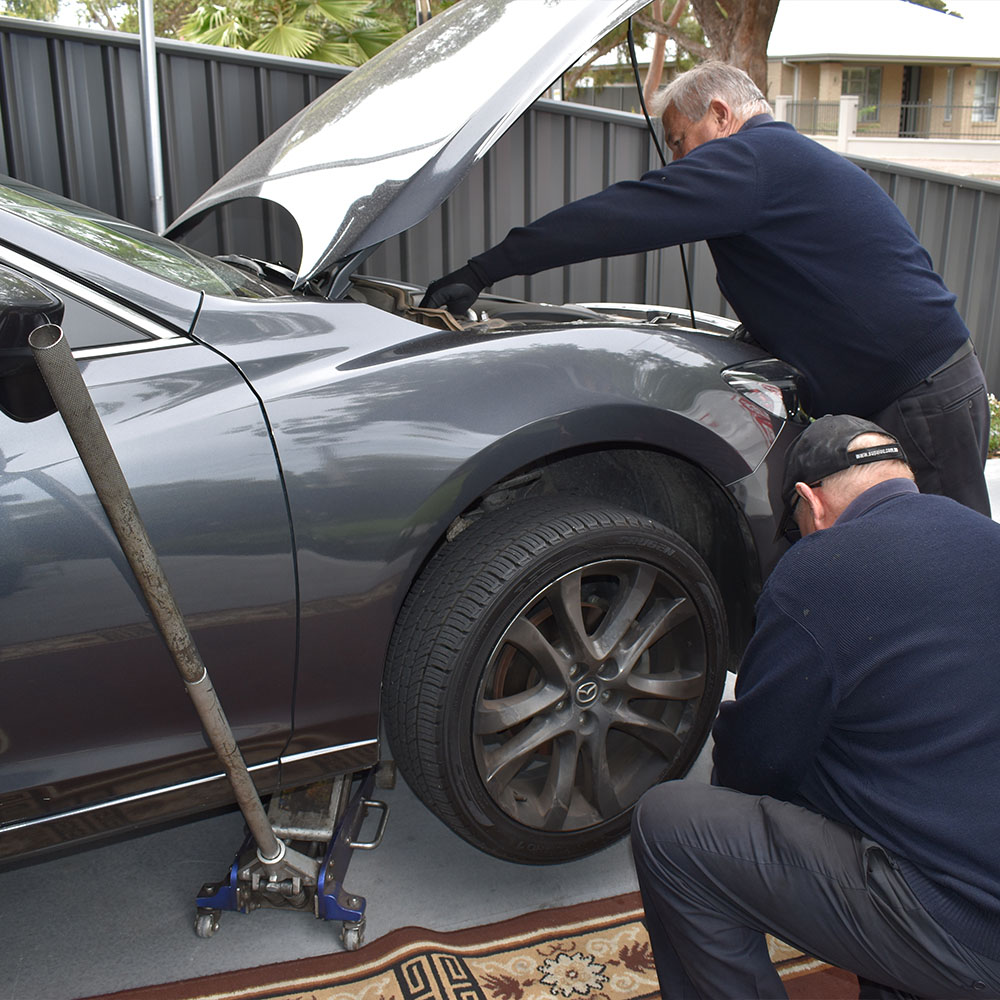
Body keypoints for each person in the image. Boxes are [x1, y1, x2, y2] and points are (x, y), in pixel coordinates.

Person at [422, 62, 991, 516]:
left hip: (920, 395)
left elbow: (620, 216)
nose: (676, 161)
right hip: (922, 385)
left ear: (720, 114)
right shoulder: (782, 162)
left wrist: (483, 270)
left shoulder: (752, 159)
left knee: (948, 559)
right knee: (899, 553)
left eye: (678, 141)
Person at [629, 413, 1000, 999]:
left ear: (810, 501)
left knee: (671, 828)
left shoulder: (823, 566)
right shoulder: (987, 537)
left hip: (967, 930)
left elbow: (756, 764)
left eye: (797, 526)